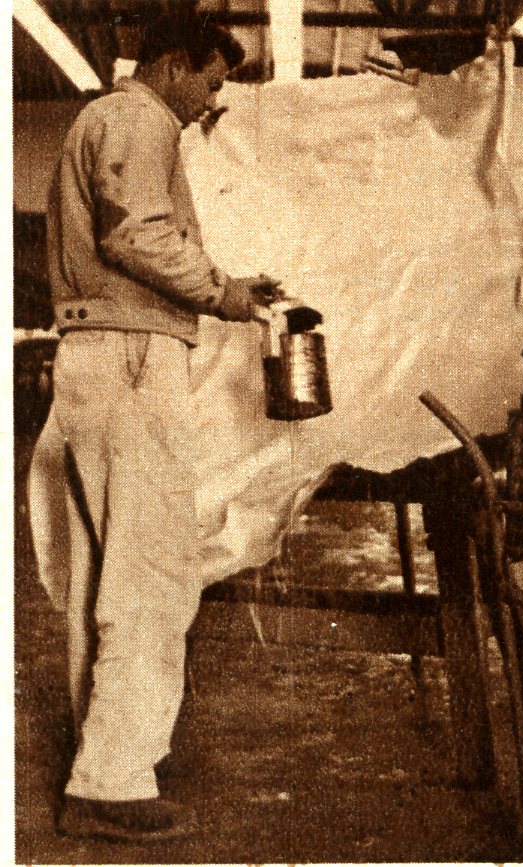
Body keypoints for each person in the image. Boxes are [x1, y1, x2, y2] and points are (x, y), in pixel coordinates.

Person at [33, 8, 279, 842]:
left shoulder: (105, 121)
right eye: (211, 82)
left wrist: (220, 286)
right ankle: (111, 781)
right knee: (153, 571)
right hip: (132, 362)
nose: (211, 101)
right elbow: (135, 233)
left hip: (97, 357)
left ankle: (100, 762)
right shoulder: (141, 119)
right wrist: (225, 292)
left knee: (106, 575)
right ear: (175, 64)